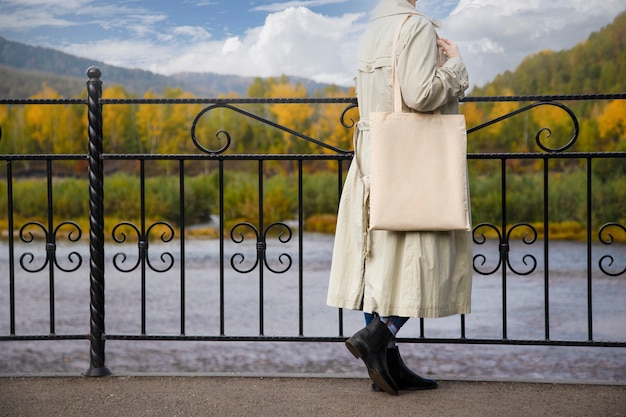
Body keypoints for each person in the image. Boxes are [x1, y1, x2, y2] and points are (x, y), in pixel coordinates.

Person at [326, 0, 472, 395]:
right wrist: (455, 67)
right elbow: (421, 94)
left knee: (381, 260)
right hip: (412, 161)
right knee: (423, 259)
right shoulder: (417, 26)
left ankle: (388, 365)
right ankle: (378, 335)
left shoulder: (371, 29)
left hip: (375, 155)